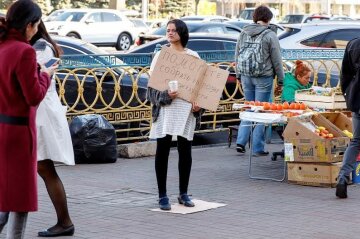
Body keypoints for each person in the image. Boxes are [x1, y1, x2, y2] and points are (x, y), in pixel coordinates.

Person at [0, 1, 54, 238]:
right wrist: (45, 75)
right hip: (19, 134)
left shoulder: (2, 46)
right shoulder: (25, 51)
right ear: (30, 25)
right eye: (37, 24)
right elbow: (34, 96)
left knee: (5, 197)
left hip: (2, 129)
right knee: (20, 201)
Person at [147, 19, 204, 211]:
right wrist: (165, 96)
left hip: (185, 110)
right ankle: (162, 196)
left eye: (173, 30)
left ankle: (183, 193)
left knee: (185, 151)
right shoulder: (161, 56)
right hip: (166, 109)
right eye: (168, 30)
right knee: (162, 150)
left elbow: (201, 87)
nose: (169, 33)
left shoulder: (193, 56)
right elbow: (152, 88)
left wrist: (199, 106)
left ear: (182, 32)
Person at [30, 21, 75, 237]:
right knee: (42, 168)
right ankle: (64, 222)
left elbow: (37, 80)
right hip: (39, 111)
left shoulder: (41, 46)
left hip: (42, 113)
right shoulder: (37, 45)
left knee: (44, 167)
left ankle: (65, 222)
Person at [234, 5, 284, 156]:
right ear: (268, 18)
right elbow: (277, 60)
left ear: (255, 17)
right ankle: (257, 148)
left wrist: (238, 74)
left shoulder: (244, 32)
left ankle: (241, 142)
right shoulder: (270, 35)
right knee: (261, 111)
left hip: (246, 76)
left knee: (249, 108)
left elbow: (237, 53)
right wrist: (281, 79)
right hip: (263, 77)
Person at [336, 38, 360, 199]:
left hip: (358, 99)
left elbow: (345, 74)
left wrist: (349, 95)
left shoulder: (353, 44)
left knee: (356, 141)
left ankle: (342, 179)